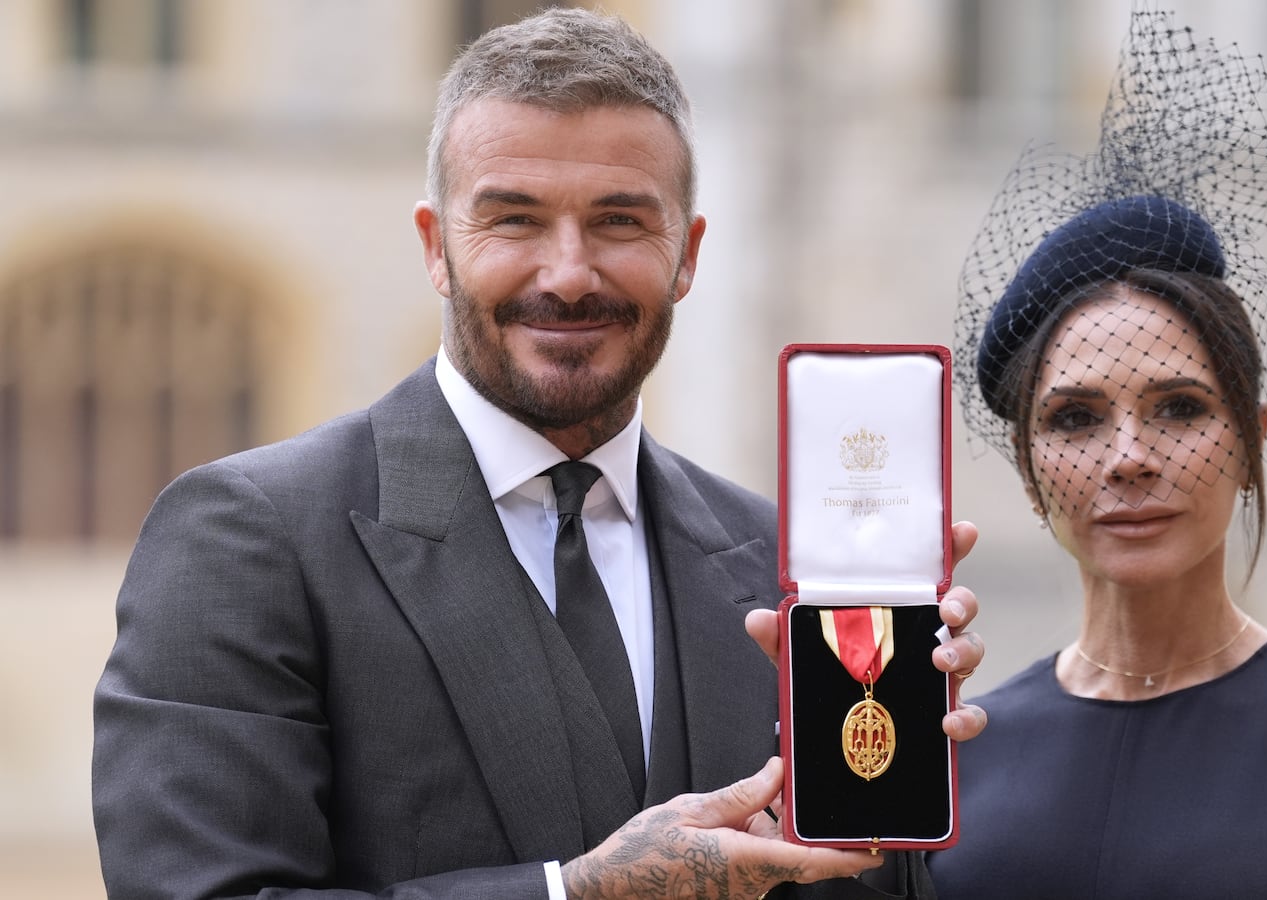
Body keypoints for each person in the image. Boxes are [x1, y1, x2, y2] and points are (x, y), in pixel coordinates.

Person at [90, 9, 987, 899]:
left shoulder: (787, 564)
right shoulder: (250, 538)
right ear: (437, 248)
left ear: (687, 254)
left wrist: (899, 784)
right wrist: (573, 893)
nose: (568, 274)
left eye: (620, 222)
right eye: (515, 220)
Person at [927, 8, 1267, 899]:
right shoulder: (950, 761)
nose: (1130, 457)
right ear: (1030, 472)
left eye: (1180, 409)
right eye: (1075, 419)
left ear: (1251, 438)